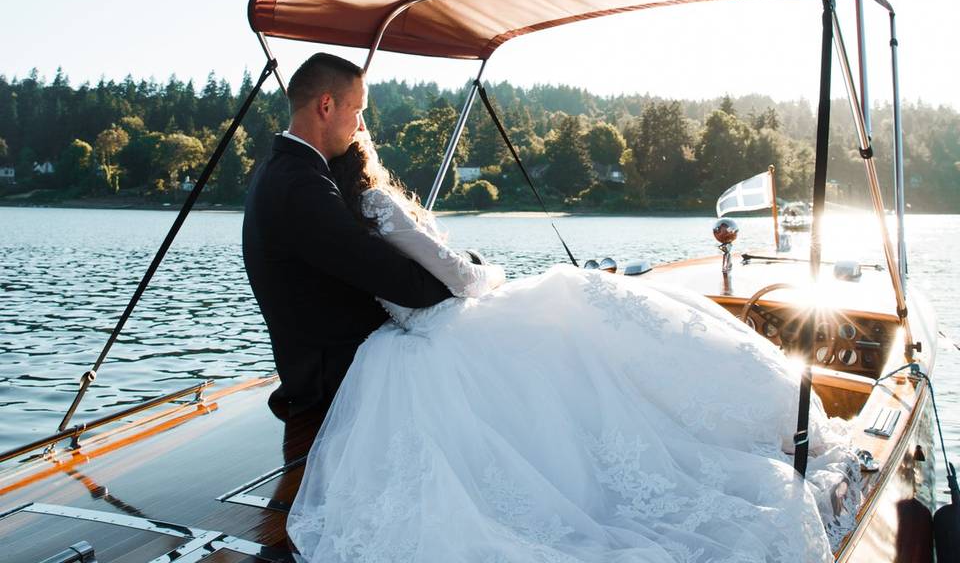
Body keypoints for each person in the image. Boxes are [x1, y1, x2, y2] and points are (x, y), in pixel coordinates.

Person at [287, 139, 863, 562]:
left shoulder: (340, 219)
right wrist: (492, 273)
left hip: (405, 343)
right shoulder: (379, 207)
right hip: (452, 321)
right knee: (581, 303)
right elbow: (455, 276)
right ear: (361, 156)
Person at [242, 52, 455, 419]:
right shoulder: (301, 188)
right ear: (326, 105)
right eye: (357, 111)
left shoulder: (285, 171)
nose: (360, 128)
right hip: (335, 380)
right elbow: (406, 286)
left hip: (331, 360)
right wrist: (462, 274)